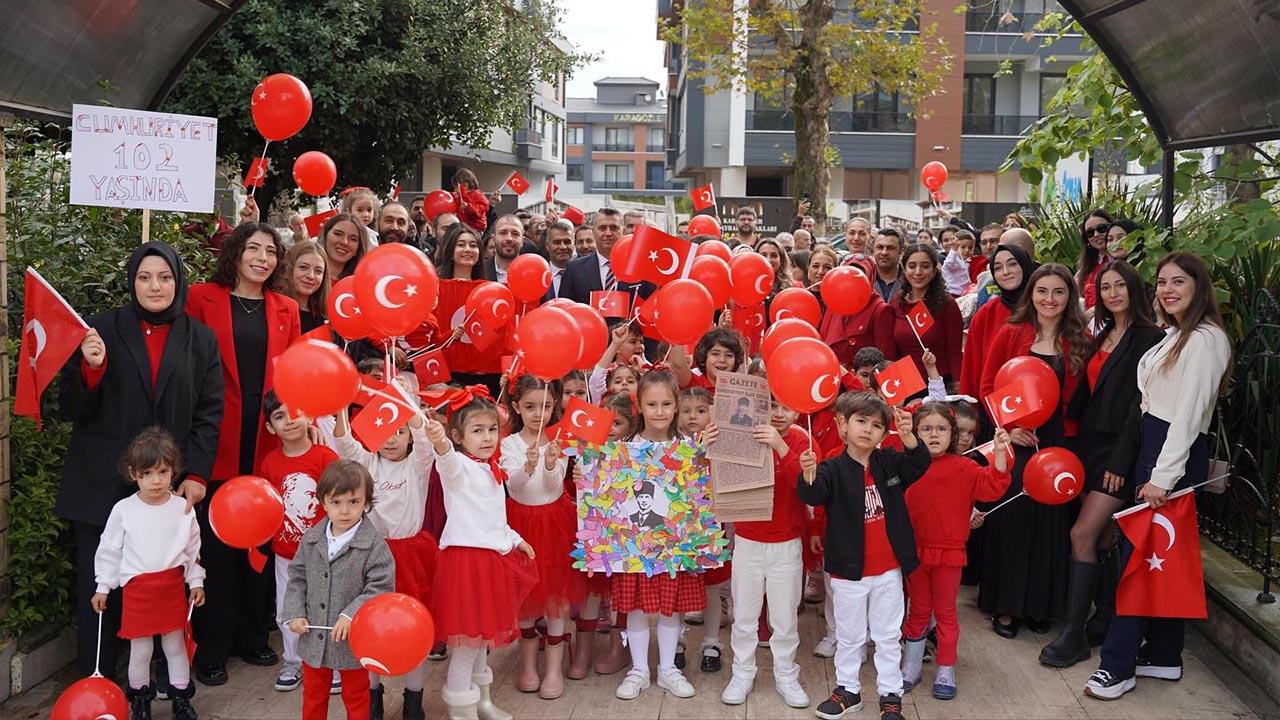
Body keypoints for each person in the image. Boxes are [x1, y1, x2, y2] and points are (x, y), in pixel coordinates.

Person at [59, 242, 222, 679]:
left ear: (177, 281)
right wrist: (90, 370)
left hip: (166, 489)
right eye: (145, 277)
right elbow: (70, 407)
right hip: (100, 483)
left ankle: (150, 684)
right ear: (132, 281)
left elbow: (209, 413)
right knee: (100, 587)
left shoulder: (201, 339)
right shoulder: (99, 330)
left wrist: (198, 474)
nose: (155, 286)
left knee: (161, 588)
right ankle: (96, 682)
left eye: (165, 277)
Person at [1084, 252, 1232, 700]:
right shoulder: (1177, 335)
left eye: (1178, 282)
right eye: (1162, 282)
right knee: (1160, 559)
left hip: (1171, 454)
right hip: (1156, 447)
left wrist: (1162, 478)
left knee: (1136, 563)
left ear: (1198, 286)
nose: (1167, 290)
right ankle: (1165, 655)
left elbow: (1187, 417)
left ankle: (1117, 666)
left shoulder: (1205, 340)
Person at [188, 222, 301, 686]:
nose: (262, 257)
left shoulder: (286, 308)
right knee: (214, 551)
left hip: (267, 444)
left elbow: (292, 377)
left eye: (271, 251)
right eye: (252, 248)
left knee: (261, 547)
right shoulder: (200, 298)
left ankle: (254, 638)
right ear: (234, 253)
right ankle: (211, 649)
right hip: (216, 441)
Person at [1042, 261, 1164, 668]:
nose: (1112, 294)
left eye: (1120, 286)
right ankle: (1105, 618)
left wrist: (1121, 458)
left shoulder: (1149, 337)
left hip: (1118, 453)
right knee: (1102, 540)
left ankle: (1074, 634)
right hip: (1088, 447)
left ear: (1134, 289)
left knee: (1082, 534)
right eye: (1105, 287)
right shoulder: (1105, 333)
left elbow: (1139, 404)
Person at [797, 392, 929, 720]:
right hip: (848, 571)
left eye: (876, 426)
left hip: (888, 570)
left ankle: (890, 694)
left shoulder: (889, 461)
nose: (867, 430)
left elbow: (920, 463)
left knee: (887, 635)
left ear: (885, 434)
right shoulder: (831, 467)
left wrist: (909, 434)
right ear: (843, 424)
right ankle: (848, 690)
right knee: (850, 635)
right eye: (861, 421)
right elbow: (813, 493)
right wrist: (808, 472)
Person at [978, 264, 1088, 640]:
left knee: (1050, 525)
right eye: (1043, 291)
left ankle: (1039, 605)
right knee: (1013, 520)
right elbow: (988, 385)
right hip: (1015, 439)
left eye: (1059, 292)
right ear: (1032, 294)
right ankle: (1006, 606)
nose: (1050, 299)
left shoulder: (1078, 338)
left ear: (1069, 298)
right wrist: (1010, 428)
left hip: (1057, 440)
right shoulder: (1011, 332)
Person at [425, 390, 537, 719]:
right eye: (477, 431)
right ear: (458, 436)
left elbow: (492, 516)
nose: (487, 437)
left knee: (481, 639)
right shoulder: (457, 466)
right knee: (466, 643)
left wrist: (516, 539)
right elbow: (445, 457)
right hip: (465, 563)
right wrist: (438, 441)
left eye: (491, 429)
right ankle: (461, 709)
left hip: (491, 560)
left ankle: (482, 701)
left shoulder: (490, 467)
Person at [608, 370, 717, 701]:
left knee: (671, 608)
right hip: (634, 544)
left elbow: (700, 490)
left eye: (666, 404)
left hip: (675, 544)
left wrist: (702, 457)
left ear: (676, 405)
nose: (659, 411)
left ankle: (668, 668)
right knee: (637, 607)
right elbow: (608, 490)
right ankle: (640, 668)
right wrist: (589, 472)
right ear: (639, 405)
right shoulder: (623, 447)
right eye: (651, 404)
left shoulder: (687, 446)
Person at [331, 389, 437, 719]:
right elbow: (345, 444)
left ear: (408, 436)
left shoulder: (418, 465)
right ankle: (373, 696)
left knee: (414, 626)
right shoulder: (367, 464)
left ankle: (414, 698)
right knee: (371, 626)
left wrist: (405, 401)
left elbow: (424, 440)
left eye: (399, 432)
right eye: (385, 431)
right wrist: (341, 409)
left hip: (412, 556)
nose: (391, 439)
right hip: (373, 557)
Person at [901, 403, 1011, 700]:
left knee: (946, 612)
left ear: (953, 434)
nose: (934, 434)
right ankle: (910, 667)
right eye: (926, 428)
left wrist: (1000, 453)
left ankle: (946, 667)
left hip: (948, 552)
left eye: (941, 429)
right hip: (915, 553)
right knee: (918, 610)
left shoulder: (966, 467)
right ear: (915, 432)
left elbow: (993, 487)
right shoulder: (908, 465)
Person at [94, 428, 205, 720]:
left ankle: (181, 701)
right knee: (140, 649)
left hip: (170, 587)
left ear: (173, 471)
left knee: (174, 646)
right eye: (147, 473)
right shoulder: (124, 510)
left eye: (163, 472)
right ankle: (140, 702)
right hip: (138, 590)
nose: (156, 480)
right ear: (134, 474)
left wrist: (196, 581)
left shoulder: (183, 508)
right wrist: (103, 586)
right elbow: (109, 549)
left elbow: (193, 549)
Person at [718, 393, 812, 709]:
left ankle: (786, 675)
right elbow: (717, 471)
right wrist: (712, 442)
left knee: (784, 617)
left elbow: (807, 487)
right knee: (744, 615)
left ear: (799, 411)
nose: (778, 413)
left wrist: (780, 446)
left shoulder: (803, 441)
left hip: (787, 543)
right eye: (771, 405)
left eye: (786, 406)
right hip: (747, 540)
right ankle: (743, 673)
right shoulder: (743, 435)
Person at [283, 461, 395, 720]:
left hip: (352, 642)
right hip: (314, 638)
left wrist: (351, 614)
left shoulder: (373, 545)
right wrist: (295, 612)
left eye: (353, 502)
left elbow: (381, 587)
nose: (344, 510)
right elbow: (297, 578)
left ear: (366, 502)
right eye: (336, 502)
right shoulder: (311, 539)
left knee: (356, 696)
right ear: (323, 502)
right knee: (313, 694)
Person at [501, 376, 584, 700]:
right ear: (517, 406)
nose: (539, 413)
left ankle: (553, 667)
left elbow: (553, 486)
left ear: (555, 407)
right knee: (526, 597)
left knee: (556, 596)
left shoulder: (557, 438)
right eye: (531, 407)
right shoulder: (508, 444)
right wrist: (527, 465)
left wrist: (550, 464)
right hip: (521, 524)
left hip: (553, 523)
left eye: (546, 406)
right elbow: (515, 486)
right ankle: (528, 665)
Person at [258, 391, 340, 695]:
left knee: (327, 608)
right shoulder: (269, 463)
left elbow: (340, 499)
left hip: (325, 554)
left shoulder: (325, 457)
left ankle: (328, 664)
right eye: (279, 416)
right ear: (270, 428)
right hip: (287, 555)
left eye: (295, 412)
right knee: (288, 610)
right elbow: (265, 507)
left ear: (309, 416)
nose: (289, 420)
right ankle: (292, 661)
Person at [958, 243, 1035, 400]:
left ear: (1025, 265)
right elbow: (971, 368)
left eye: (1013, 264)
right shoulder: (986, 314)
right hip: (994, 406)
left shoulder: (1042, 307)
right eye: (998, 268)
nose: (1006, 272)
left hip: (1038, 398)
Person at [889, 244, 964, 385]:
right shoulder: (896, 303)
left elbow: (955, 352)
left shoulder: (947, 305)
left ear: (934, 270)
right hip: (906, 384)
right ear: (904, 270)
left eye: (925, 266)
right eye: (912, 266)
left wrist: (957, 387)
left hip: (941, 382)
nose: (918, 272)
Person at [558, 207, 653, 313]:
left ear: (623, 231)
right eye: (602, 228)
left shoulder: (642, 268)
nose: (608, 233)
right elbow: (565, 312)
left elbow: (649, 310)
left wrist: (631, 328)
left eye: (614, 228)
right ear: (593, 232)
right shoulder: (574, 269)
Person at [282, 240, 330, 333]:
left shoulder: (324, 319)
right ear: (288, 268)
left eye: (318, 271)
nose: (311, 276)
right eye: (303, 267)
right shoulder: (273, 309)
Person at [1076, 209, 1115, 310]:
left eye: (1102, 228)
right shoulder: (1083, 271)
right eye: (1090, 232)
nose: (1096, 235)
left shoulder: (1128, 262)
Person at [319, 213, 370, 282]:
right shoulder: (307, 279)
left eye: (353, 239)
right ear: (325, 236)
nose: (344, 242)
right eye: (338, 234)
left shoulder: (360, 283)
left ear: (358, 248)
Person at [486, 215, 527, 283]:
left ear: (522, 241)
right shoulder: (479, 271)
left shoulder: (531, 272)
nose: (509, 238)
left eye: (515, 234)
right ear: (494, 239)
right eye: (503, 233)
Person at [452, 168, 491, 233]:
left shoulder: (478, 195)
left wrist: (467, 207)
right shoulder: (459, 197)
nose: (455, 190)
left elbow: (477, 213)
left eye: (456, 187)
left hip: (476, 229)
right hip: (464, 228)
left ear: (465, 186)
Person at [544, 220, 575, 299]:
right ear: (547, 245)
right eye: (557, 242)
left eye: (567, 242)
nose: (563, 247)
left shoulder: (584, 274)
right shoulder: (540, 276)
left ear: (573, 244)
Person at [872, 228, 904, 302]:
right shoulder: (865, 279)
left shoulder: (911, 281)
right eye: (880, 247)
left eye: (890, 248)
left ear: (900, 252)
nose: (884, 252)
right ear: (873, 250)